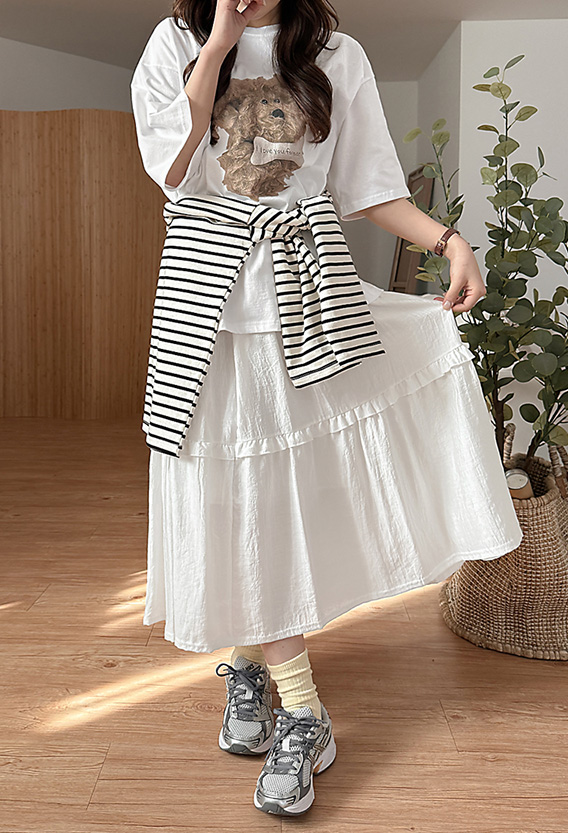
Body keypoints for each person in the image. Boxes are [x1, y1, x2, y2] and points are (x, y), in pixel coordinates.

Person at [130, 0, 523, 816]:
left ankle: (297, 707)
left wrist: (448, 241)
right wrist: (220, 46)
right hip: (206, 302)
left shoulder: (336, 54)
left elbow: (369, 187)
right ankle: (267, 676)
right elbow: (167, 164)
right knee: (228, 495)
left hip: (307, 296)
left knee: (278, 499)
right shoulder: (175, 42)